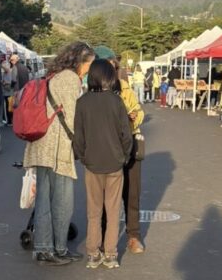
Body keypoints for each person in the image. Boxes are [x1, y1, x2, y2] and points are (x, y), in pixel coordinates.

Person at [23, 41, 95, 266]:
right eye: (88, 65)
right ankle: (55, 249)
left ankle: (48, 248)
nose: (88, 70)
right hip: (56, 147)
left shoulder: (54, 74)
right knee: (62, 200)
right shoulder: (70, 79)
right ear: (80, 61)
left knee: (44, 199)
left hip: (41, 144)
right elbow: (73, 118)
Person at [73, 59, 133, 269]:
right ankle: (110, 254)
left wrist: (83, 157)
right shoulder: (117, 101)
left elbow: (78, 138)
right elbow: (126, 136)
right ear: (109, 76)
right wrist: (123, 157)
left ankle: (92, 254)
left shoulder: (82, 102)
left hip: (92, 164)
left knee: (94, 212)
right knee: (113, 211)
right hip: (115, 164)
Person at [97, 47, 146, 256]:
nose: (112, 68)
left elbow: (139, 110)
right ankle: (103, 237)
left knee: (132, 193)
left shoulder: (125, 87)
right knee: (104, 195)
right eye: (107, 64)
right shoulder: (93, 92)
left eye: (113, 65)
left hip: (130, 144)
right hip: (107, 148)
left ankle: (133, 236)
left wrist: (135, 116)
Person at [1, 59, 15, 124]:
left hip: (9, 92)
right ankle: (9, 121)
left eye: (4, 67)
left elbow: (10, 83)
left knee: (10, 107)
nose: (3, 69)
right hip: (5, 93)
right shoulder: (4, 73)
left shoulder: (10, 73)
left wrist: (4, 83)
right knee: (7, 107)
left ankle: (11, 121)